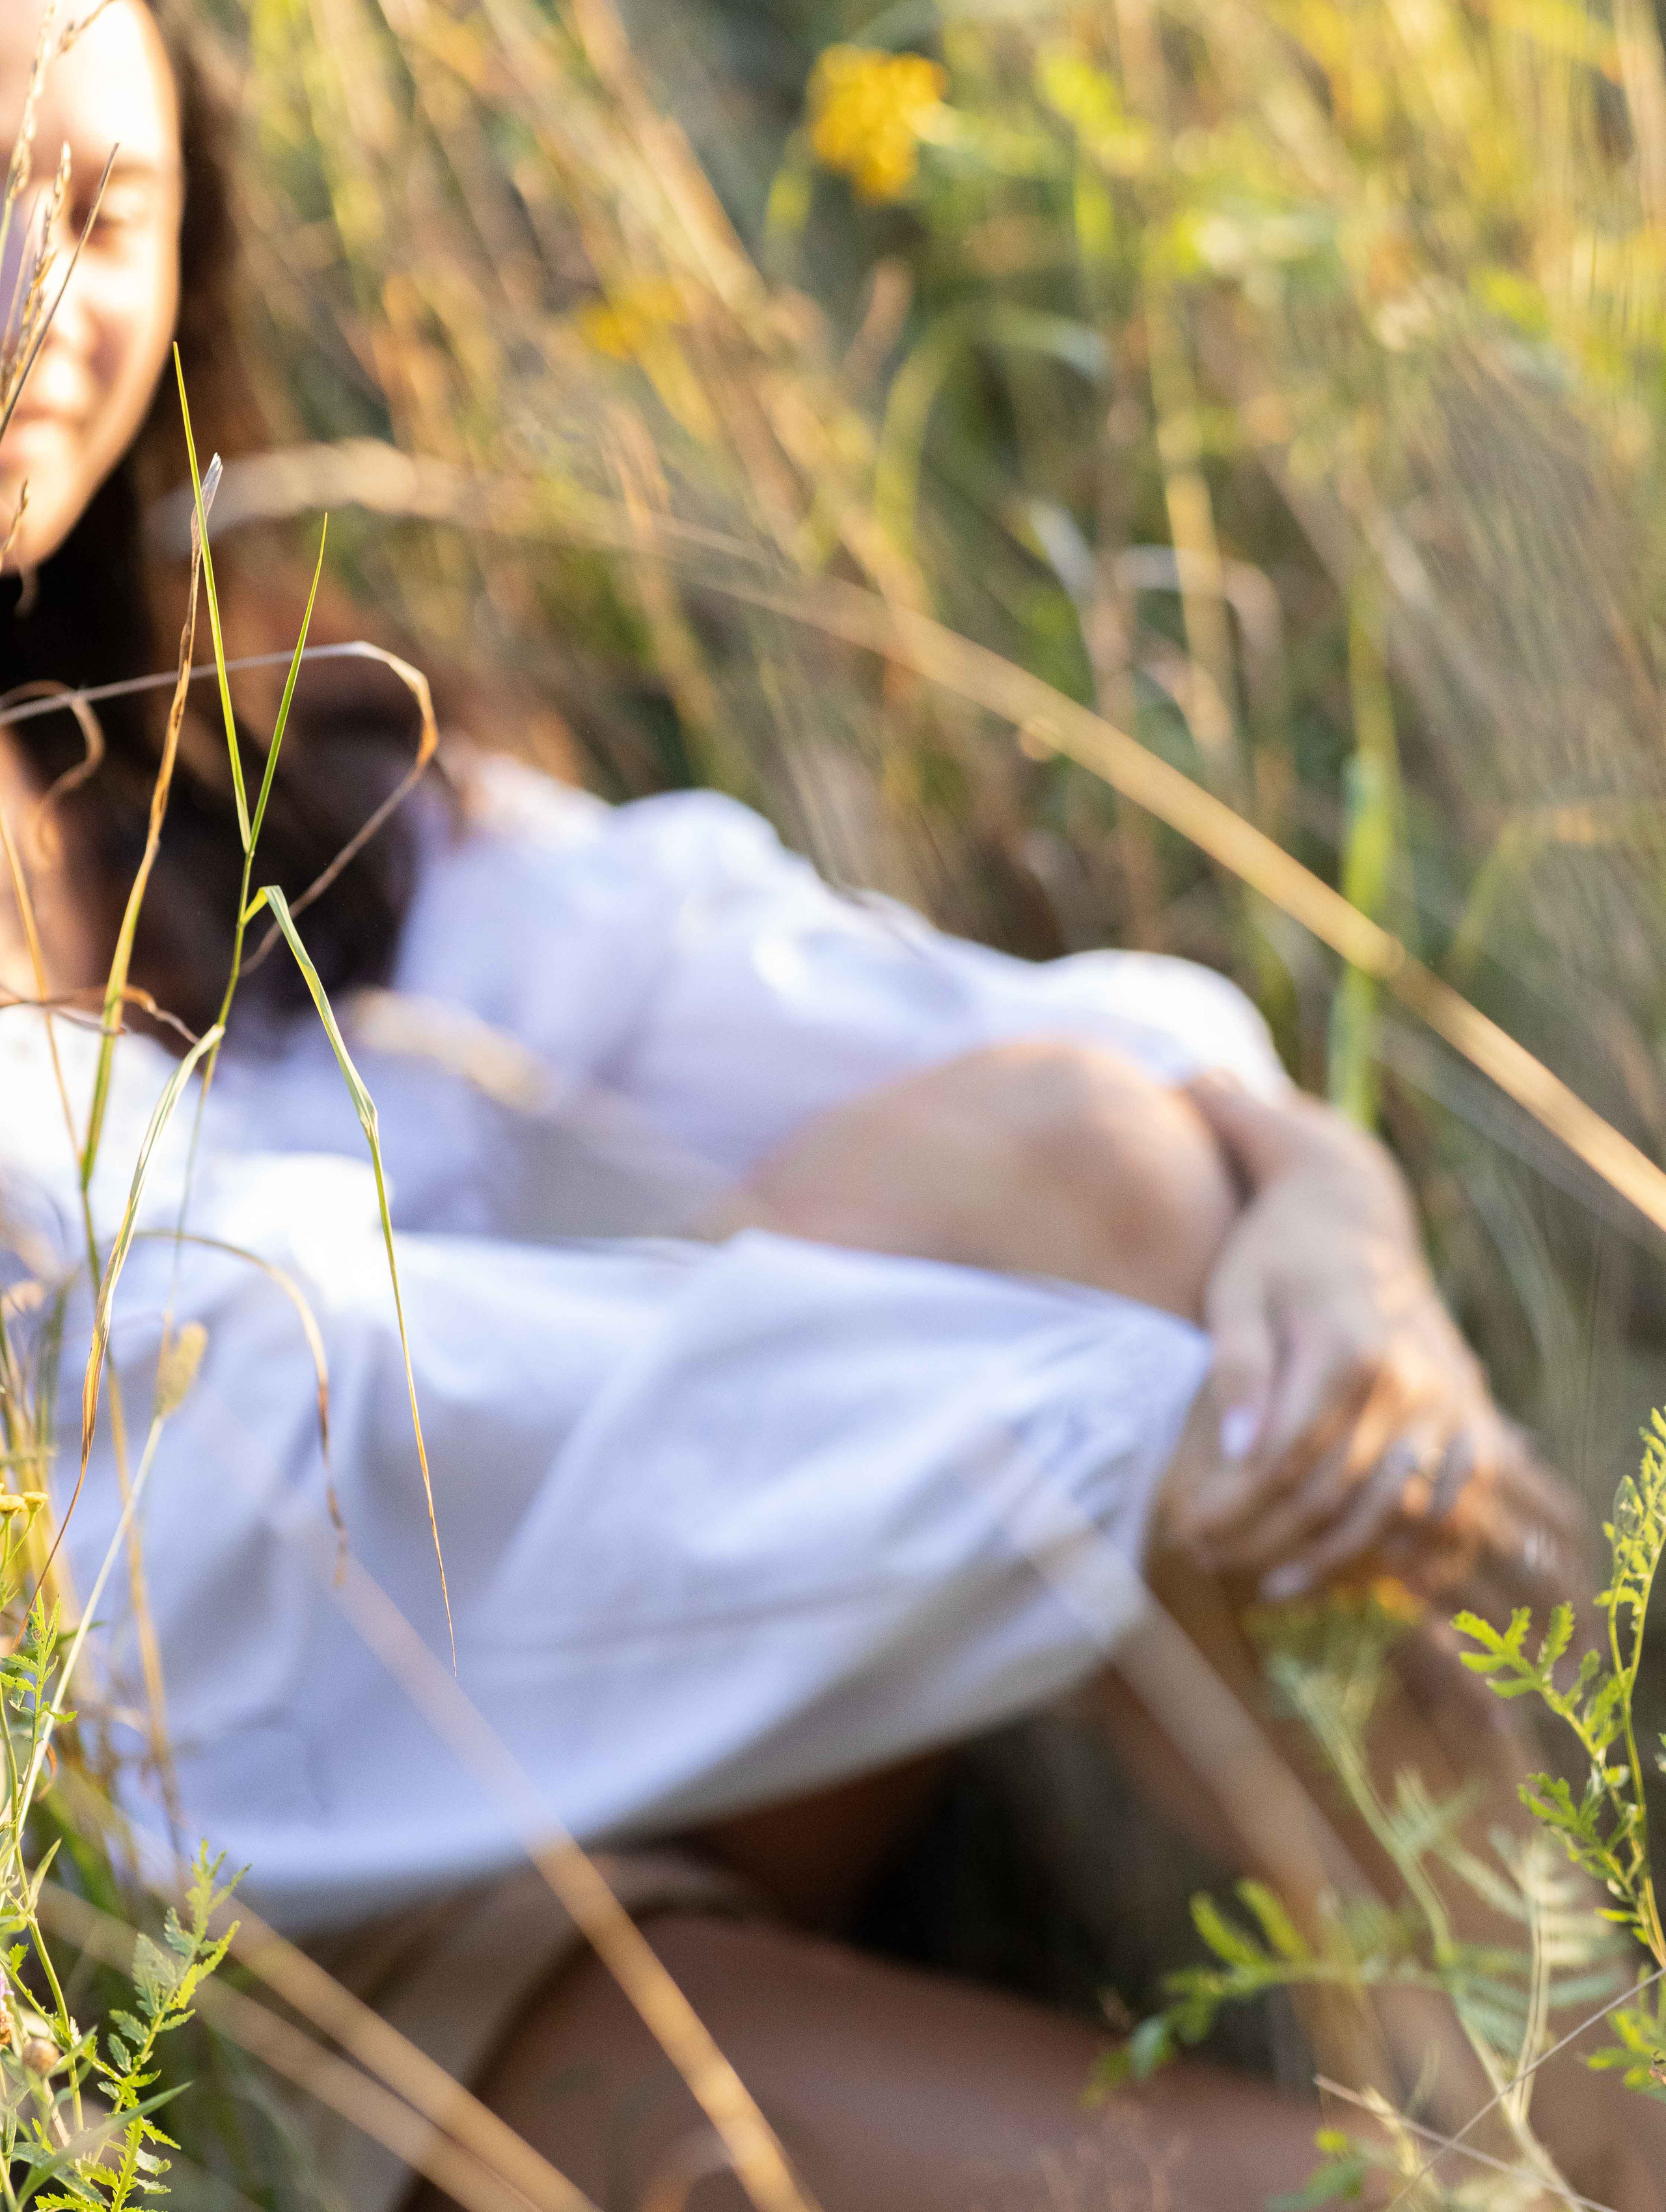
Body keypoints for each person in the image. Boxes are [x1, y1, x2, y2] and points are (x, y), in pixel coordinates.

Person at [0, 5, 1646, 2209]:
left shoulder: (275, 802)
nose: (37, 293)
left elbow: (929, 1033)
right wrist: (1064, 1443)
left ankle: (1605, 2096)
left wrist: (1329, 1221)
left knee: (1101, 1160)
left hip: (626, 1786)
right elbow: (267, 1537)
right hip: (274, 2001)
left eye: (103, 210)